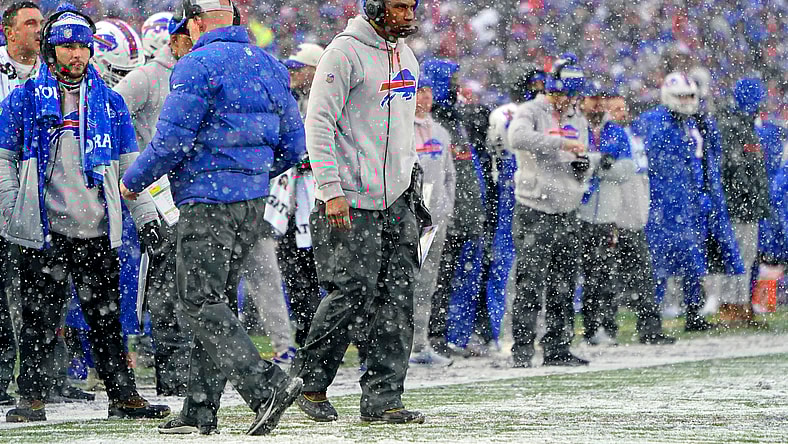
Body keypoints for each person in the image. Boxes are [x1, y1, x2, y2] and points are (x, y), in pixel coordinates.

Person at [120, 0, 305, 436]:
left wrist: (133, 180)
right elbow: (294, 146)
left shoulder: (195, 65)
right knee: (216, 302)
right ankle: (199, 410)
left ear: (197, 23)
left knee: (198, 303)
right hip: (252, 202)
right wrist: (250, 172)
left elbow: (171, 142)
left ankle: (266, 387)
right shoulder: (269, 64)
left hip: (207, 200)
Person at [0, 5, 170, 422]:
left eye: (83, 46)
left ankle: (124, 397)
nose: (77, 54)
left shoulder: (110, 103)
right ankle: (32, 398)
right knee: (38, 322)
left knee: (107, 322)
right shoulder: (24, 99)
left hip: (97, 230)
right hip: (44, 230)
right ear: (50, 49)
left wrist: (147, 218)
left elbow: (130, 167)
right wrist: (10, 208)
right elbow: (3, 158)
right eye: (68, 46)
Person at [290, 0, 426, 425]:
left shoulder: (408, 56)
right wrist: (331, 190)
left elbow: (401, 130)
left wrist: (410, 182)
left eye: (412, 6)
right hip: (349, 200)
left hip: (397, 199)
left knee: (398, 299)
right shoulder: (343, 53)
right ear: (376, 7)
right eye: (399, 6)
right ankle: (309, 384)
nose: (408, 14)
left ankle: (384, 398)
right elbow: (318, 124)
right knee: (350, 294)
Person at [112, 14, 194, 396]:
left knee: (189, 287)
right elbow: (112, 116)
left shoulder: (197, 74)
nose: (194, 42)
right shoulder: (147, 77)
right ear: (173, 40)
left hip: (189, 196)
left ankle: (186, 370)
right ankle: (173, 375)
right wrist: (134, 167)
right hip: (155, 199)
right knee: (165, 288)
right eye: (188, 36)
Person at [507, 54, 591, 367]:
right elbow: (516, 137)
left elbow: (582, 153)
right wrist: (559, 144)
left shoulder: (577, 117)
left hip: (566, 208)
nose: (568, 101)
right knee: (529, 282)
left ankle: (558, 347)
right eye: (564, 94)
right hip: (535, 207)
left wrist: (583, 166)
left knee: (563, 284)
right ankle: (522, 350)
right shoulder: (530, 111)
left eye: (573, 95)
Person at [642, 72, 744, 332]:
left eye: (690, 96)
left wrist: (706, 195)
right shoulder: (655, 121)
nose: (686, 101)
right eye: (681, 96)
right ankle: (650, 320)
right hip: (664, 203)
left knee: (694, 260)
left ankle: (694, 313)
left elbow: (710, 159)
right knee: (659, 263)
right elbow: (657, 160)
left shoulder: (696, 122)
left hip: (694, 202)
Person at [0, 0, 44, 408]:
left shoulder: (55, 71)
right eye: (30, 23)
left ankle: (46, 378)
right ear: (9, 31)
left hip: (45, 198)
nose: (38, 28)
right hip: (4, 188)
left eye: (41, 22)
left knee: (43, 293)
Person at [485, 64, 545, 356]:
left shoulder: (542, 114)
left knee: (531, 270)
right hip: (512, 195)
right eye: (535, 85)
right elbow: (497, 157)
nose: (539, 90)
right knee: (506, 270)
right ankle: (501, 333)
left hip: (533, 193)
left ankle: (529, 332)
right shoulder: (507, 114)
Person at [608, 94, 675, 345]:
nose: (622, 113)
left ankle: (649, 328)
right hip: (617, 218)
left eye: (623, 108)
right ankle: (606, 329)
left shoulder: (634, 135)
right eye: (616, 109)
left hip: (636, 217)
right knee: (612, 277)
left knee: (643, 276)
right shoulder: (610, 137)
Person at [710, 78, 771, 327]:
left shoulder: (745, 124)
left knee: (746, 258)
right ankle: (730, 308)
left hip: (748, 205)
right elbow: (731, 166)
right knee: (735, 257)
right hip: (737, 205)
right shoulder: (732, 124)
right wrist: (746, 194)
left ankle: (742, 306)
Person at [576, 80, 633, 346]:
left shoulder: (616, 132)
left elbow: (627, 170)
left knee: (603, 274)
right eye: (592, 99)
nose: (597, 104)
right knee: (574, 273)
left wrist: (598, 167)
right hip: (579, 211)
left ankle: (603, 327)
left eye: (601, 99)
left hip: (606, 214)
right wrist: (600, 163)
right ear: (582, 101)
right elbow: (574, 165)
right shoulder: (576, 128)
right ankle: (577, 329)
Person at [276, 42, 324, 348]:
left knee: (317, 270)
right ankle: (305, 332)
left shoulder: (327, 100)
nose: (291, 73)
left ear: (315, 70)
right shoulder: (287, 100)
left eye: (298, 68)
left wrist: (312, 160)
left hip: (319, 199)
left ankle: (317, 334)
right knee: (295, 272)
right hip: (290, 201)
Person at [410, 74, 456, 367]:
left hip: (434, 219)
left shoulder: (440, 132)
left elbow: (450, 176)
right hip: (408, 217)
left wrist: (445, 208)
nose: (425, 98)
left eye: (428, 91)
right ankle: (396, 344)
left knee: (427, 282)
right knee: (403, 280)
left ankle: (419, 343)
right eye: (419, 91)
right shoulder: (399, 128)